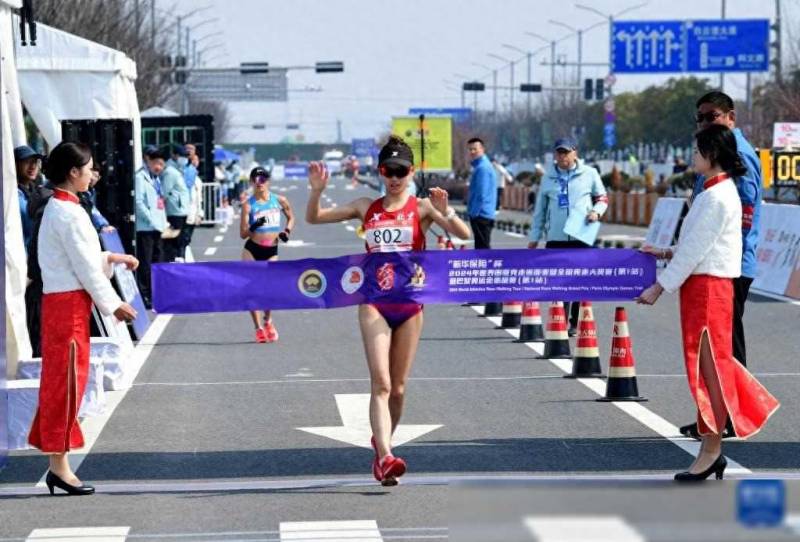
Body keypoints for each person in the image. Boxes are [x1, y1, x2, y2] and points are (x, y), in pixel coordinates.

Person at [306, 136, 470, 486]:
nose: (394, 178)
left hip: (410, 305)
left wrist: (446, 209)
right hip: (374, 303)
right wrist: (316, 190)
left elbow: (463, 234)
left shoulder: (422, 208)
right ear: (380, 172)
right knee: (380, 383)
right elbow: (315, 217)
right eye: (387, 171)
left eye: (401, 171)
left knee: (398, 389)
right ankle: (384, 457)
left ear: (411, 172)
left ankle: (383, 442)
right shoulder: (367, 206)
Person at [637, 125, 779, 481]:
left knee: (710, 373)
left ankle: (712, 449)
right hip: (703, 288)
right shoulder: (712, 193)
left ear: (712, 154)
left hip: (709, 291)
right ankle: (713, 445)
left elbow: (698, 252)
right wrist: (666, 252)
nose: (692, 157)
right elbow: (699, 245)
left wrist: (659, 286)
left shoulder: (717, 197)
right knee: (709, 370)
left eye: (697, 151)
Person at [28, 142, 138, 496]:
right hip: (68, 306)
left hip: (66, 303)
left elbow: (84, 258)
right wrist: (115, 303)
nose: (93, 174)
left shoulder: (64, 208)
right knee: (65, 385)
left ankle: (58, 465)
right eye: (89, 168)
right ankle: (59, 468)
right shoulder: (66, 212)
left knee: (65, 383)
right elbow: (86, 268)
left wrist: (114, 258)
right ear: (73, 172)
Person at [679, 90, 764, 440]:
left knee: (723, 345)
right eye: (700, 118)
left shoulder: (737, 154)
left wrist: (723, 259)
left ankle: (729, 414)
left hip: (728, 265)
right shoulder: (714, 152)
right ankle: (719, 412)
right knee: (715, 346)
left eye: (712, 116)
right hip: (715, 263)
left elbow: (742, 215)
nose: (705, 123)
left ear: (731, 117)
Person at [527, 137, 608, 335]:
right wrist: (534, 236)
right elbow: (540, 210)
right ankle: (559, 320)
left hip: (582, 236)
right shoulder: (548, 177)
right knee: (558, 281)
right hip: (556, 237)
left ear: (575, 152)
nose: (562, 156)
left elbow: (603, 198)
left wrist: (596, 211)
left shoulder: (589, 173)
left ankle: (576, 321)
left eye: (566, 152)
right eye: (559, 152)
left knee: (581, 281)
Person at [239, 166, 295, 343]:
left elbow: (291, 218)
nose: (259, 183)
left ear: (268, 181)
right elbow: (242, 234)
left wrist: (286, 231)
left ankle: (268, 319)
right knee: (252, 288)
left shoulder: (279, 200)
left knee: (269, 288)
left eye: (262, 179)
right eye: (255, 180)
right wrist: (255, 225)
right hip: (252, 249)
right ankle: (258, 328)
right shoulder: (248, 205)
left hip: (271, 250)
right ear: (251, 182)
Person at [135, 146, 168, 308]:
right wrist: (150, 220)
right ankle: (146, 295)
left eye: (162, 165)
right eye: (157, 163)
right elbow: (139, 203)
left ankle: (156, 293)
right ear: (149, 161)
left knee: (157, 260)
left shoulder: (156, 179)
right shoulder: (141, 177)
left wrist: (162, 223)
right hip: (145, 228)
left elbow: (159, 203)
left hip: (157, 227)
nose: (159, 167)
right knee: (146, 263)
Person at [162, 145, 191, 262]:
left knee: (180, 239)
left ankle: (177, 259)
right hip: (174, 211)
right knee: (174, 240)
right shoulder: (170, 172)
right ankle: (173, 261)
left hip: (180, 210)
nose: (184, 159)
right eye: (181, 156)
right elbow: (164, 192)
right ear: (174, 155)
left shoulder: (177, 170)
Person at [466, 138, 496, 249]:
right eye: (470, 149)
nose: (472, 152)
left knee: (482, 249)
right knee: (482, 247)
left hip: (481, 215)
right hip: (483, 213)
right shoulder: (481, 166)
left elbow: (481, 194)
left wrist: (473, 213)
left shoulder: (482, 168)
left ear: (482, 149)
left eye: (475, 149)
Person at [15, 145, 44, 250]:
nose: (32, 166)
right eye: (27, 162)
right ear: (16, 164)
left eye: (35, 162)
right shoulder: (12, 195)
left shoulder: (38, 193)